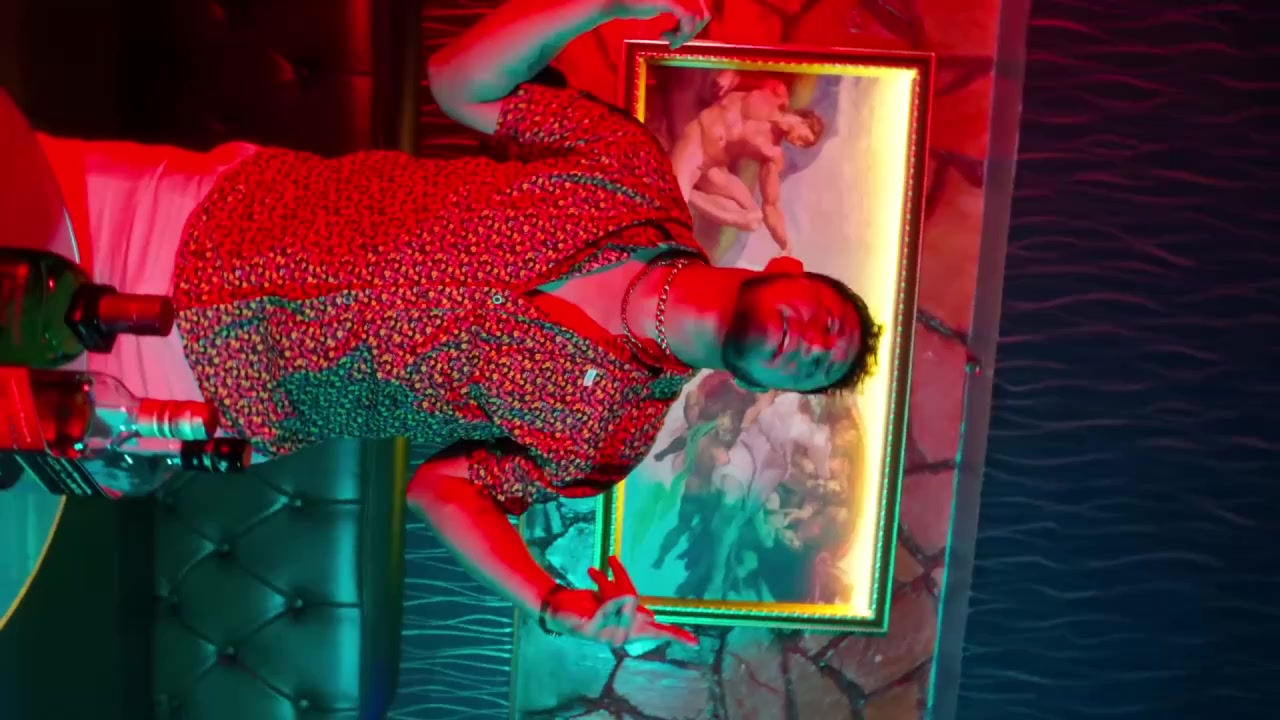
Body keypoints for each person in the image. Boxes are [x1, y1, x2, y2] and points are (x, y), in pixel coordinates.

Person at [34, 0, 881, 649]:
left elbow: (440, 489)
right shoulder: (628, 172)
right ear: (785, 271)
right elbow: (458, 81)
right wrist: (601, 5)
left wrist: (554, 602)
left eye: (816, 364)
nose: (812, 343)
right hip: (194, 219)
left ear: (761, 382)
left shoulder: (607, 439)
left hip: (191, 393)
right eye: (827, 322)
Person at [668, 69, 826, 256]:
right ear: (804, 122)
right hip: (696, 142)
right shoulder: (776, 93)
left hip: (713, 169)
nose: (798, 144)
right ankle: (683, 193)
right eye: (803, 139)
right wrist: (732, 75)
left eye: (803, 145)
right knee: (675, 210)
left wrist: (785, 243)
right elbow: (747, 72)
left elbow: (771, 205)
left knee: (753, 219)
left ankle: (691, 196)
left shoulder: (772, 153)